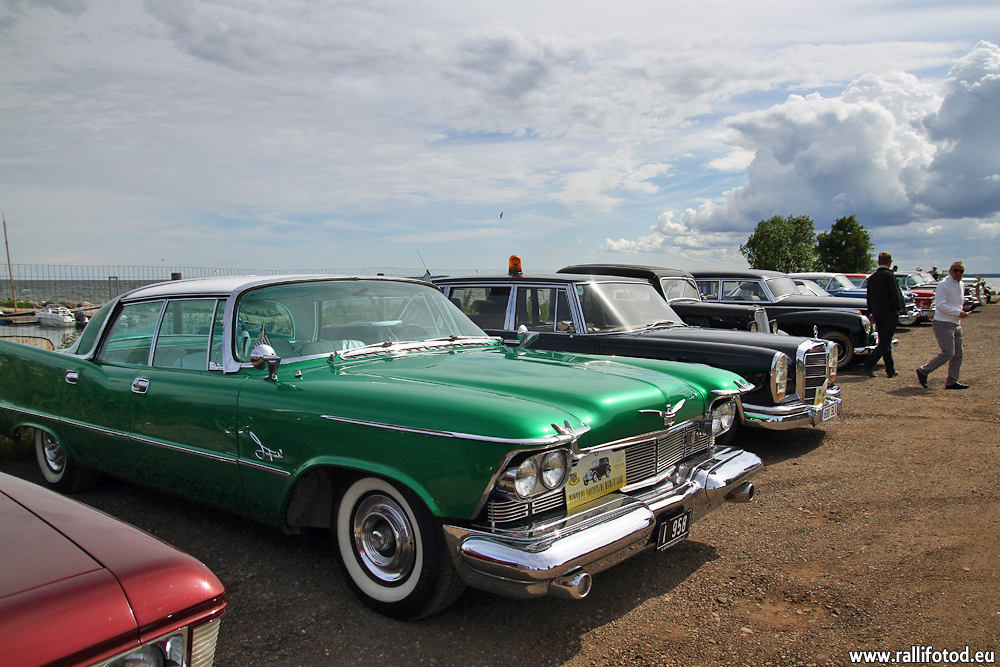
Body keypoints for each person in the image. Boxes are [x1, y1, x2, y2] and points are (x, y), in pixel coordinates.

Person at [917, 261, 968, 389]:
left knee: (958, 354)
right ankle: (924, 370)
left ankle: (952, 381)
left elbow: (956, 302)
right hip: (943, 323)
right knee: (948, 352)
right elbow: (940, 305)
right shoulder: (943, 285)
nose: (958, 273)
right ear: (950, 271)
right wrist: (957, 312)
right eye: (955, 270)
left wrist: (959, 313)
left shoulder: (961, 284)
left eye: (961, 271)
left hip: (955, 323)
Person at [863, 252, 905, 378]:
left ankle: (890, 369)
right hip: (889, 312)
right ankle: (869, 364)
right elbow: (895, 293)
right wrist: (898, 308)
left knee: (884, 341)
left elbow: (869, 297)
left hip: (877, 313)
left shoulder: (872, 277)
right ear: (890, 262)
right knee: (885, 342)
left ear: (878, 262)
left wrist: (870, 312)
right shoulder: (889, 276)